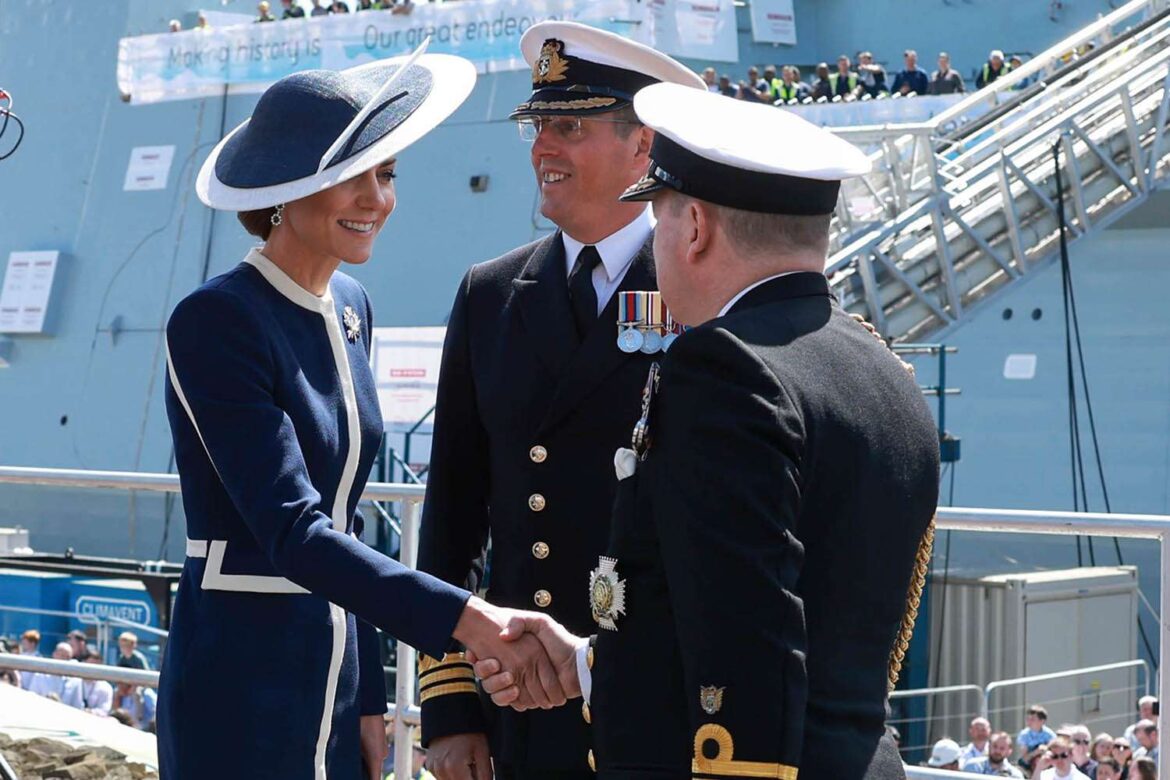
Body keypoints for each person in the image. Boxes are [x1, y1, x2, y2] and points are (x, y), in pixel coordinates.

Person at [474, 82, 940, 779]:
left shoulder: (722, 370)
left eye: (659, 219)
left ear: (694, 227)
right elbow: (741, 609)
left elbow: (748, 641)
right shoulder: (883, 370)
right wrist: (587, 664)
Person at [159, 47, 567, 780]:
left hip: (338, 676)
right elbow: (293, 528)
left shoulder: (351, 308)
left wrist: (371, 695)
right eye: (351, 177)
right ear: (285, 190)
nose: (376, 199)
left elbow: (345, 522)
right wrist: (472, 622)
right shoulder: (217, 320)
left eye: (386, 174)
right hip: (240, 675)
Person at [415, 21, 704, 780]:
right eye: (537, 126)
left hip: (648, 701)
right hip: (520, 708)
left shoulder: (700, 290)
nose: (543, 147)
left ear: (643, 144)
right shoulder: (489, 294)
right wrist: (449, 710)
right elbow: (451, 513)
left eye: (569, 126)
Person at [1018, 704, 1058, 772]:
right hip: (1029, 766)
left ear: (1042, 721)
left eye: (1032, 719)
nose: (1029, 722)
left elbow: (1055, 752)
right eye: (1027, 719)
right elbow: (1024, 758)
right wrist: (1035, 752)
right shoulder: (1024, 735)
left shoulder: (1050, 735)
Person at [79, 651, 114, 715]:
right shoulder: (73, 682)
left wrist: (89, 712)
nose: (93, 669)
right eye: (90, 665)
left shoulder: (105, 687)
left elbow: (104, 710)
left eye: (96, 666)